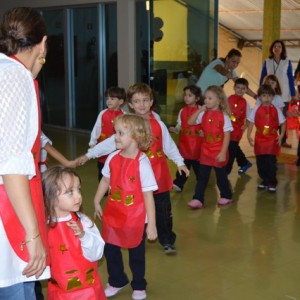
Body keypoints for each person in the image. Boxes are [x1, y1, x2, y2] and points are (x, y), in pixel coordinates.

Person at [77, 83, 189, 254]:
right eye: (137, 101)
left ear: (151, 101)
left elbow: (169, 146)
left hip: (158, 179)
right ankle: (136, 237)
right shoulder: (127, 125)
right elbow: (109, 143)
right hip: (134, 181)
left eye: (145, 100)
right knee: (135, 211)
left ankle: (167, 239)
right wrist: (89, 154)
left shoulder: (158, 124)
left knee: (163, 212)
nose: (141, 104)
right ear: (130, 104)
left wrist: (180, 162)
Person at [0, 7, 50, 298]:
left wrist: (30, 72)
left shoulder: (8, 71)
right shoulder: (17, 79)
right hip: (9, 213)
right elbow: (12, 164)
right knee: (19, 287)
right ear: (42, 42)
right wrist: (33, 236)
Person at [93, 114, 157, 300]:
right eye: (116, 132)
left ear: (136, 136)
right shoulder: (113, 157)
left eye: (121, 133)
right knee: (110, 249)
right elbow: (106, 180)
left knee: (136, 253)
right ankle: (117, 280)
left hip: (135, 218)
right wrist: (97, 200)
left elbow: (148, 195)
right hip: (114, 214)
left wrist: (151, 224)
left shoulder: (142, 163)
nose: (116, 137)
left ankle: (139, 284)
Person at [42, 166, 106, 299]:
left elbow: (97, 254)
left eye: (78, 190)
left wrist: (84, 236)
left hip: (88, 292)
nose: (78, 196)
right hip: (59, 293)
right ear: (51, 197)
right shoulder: (43, 225)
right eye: (70, 192)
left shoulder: (84, 221)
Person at [187, 85, 233, 209]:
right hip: (206, 151)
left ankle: (226, 195)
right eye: (205, 98)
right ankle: (198, 199)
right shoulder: (203, 114)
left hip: (219, 150)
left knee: (221, 177)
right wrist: (199, 110)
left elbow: (227, 136)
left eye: (210, 98)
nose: (206, 100)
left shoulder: (224, 116)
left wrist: (223, 152)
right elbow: (190, 122)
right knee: (202, 177)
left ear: (218, 100)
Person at [247, 84, 286, 192]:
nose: (267, 98)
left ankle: (272, 182)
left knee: (270, 162)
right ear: (259, 97)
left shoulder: (276, 110)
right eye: (264, 95)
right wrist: (248, 135)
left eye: (269, 96)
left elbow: (283, 123)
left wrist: (281, 135)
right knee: (261, 162)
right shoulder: (256, 109)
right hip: (259, 139)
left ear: (273, 97)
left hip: (272, 140)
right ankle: (264, 180)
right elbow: (251, 122)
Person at [259, 40, 295, 147]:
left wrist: (292, 94)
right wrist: (260, 91)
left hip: (284, 94)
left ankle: (282, 140)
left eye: (279, 46)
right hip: (269, 94)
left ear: (282, 49)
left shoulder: (287, 62)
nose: (277, 48)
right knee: (269, 117)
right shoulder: (267, 61)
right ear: (272, 49)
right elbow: (263, 77)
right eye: (275, 46)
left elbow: (290, 78)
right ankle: (269, 138)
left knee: (282, 118)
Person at [169, 85, 202, 191]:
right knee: (183, 163)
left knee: (199, 167)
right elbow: (180, 124)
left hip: (197, 144)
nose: (186, 98)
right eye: (185, 95)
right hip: (185, 143)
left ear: (197, 98)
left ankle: (202, 183)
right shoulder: (182, 110)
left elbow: (205, 124)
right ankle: (179, 183)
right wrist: (176, 129)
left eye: (190, 95)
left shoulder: (201, 111)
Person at [89, 87, 126, 181]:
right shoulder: (103, 113)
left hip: (117, 149)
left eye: (112, 99)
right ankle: (104, 189)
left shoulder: (125, 116)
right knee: (102, 168)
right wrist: (92, 142)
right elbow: (97, 128)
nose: (109, 101)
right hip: (103, 148)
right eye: (107, 98)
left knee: (117, 168)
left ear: (121, 101)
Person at [226, 78, 252, 175]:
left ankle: (226, 171)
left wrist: (246, 125)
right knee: (232, 146)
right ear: (234, 88)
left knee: (231, 149)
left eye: (243, 88)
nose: (240, 90)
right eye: (238, 87)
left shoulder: (246, 103)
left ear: (246, 90)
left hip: (237, 130)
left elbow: (250, 116)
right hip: (226, 129)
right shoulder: (228, 98)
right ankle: (244, 163)